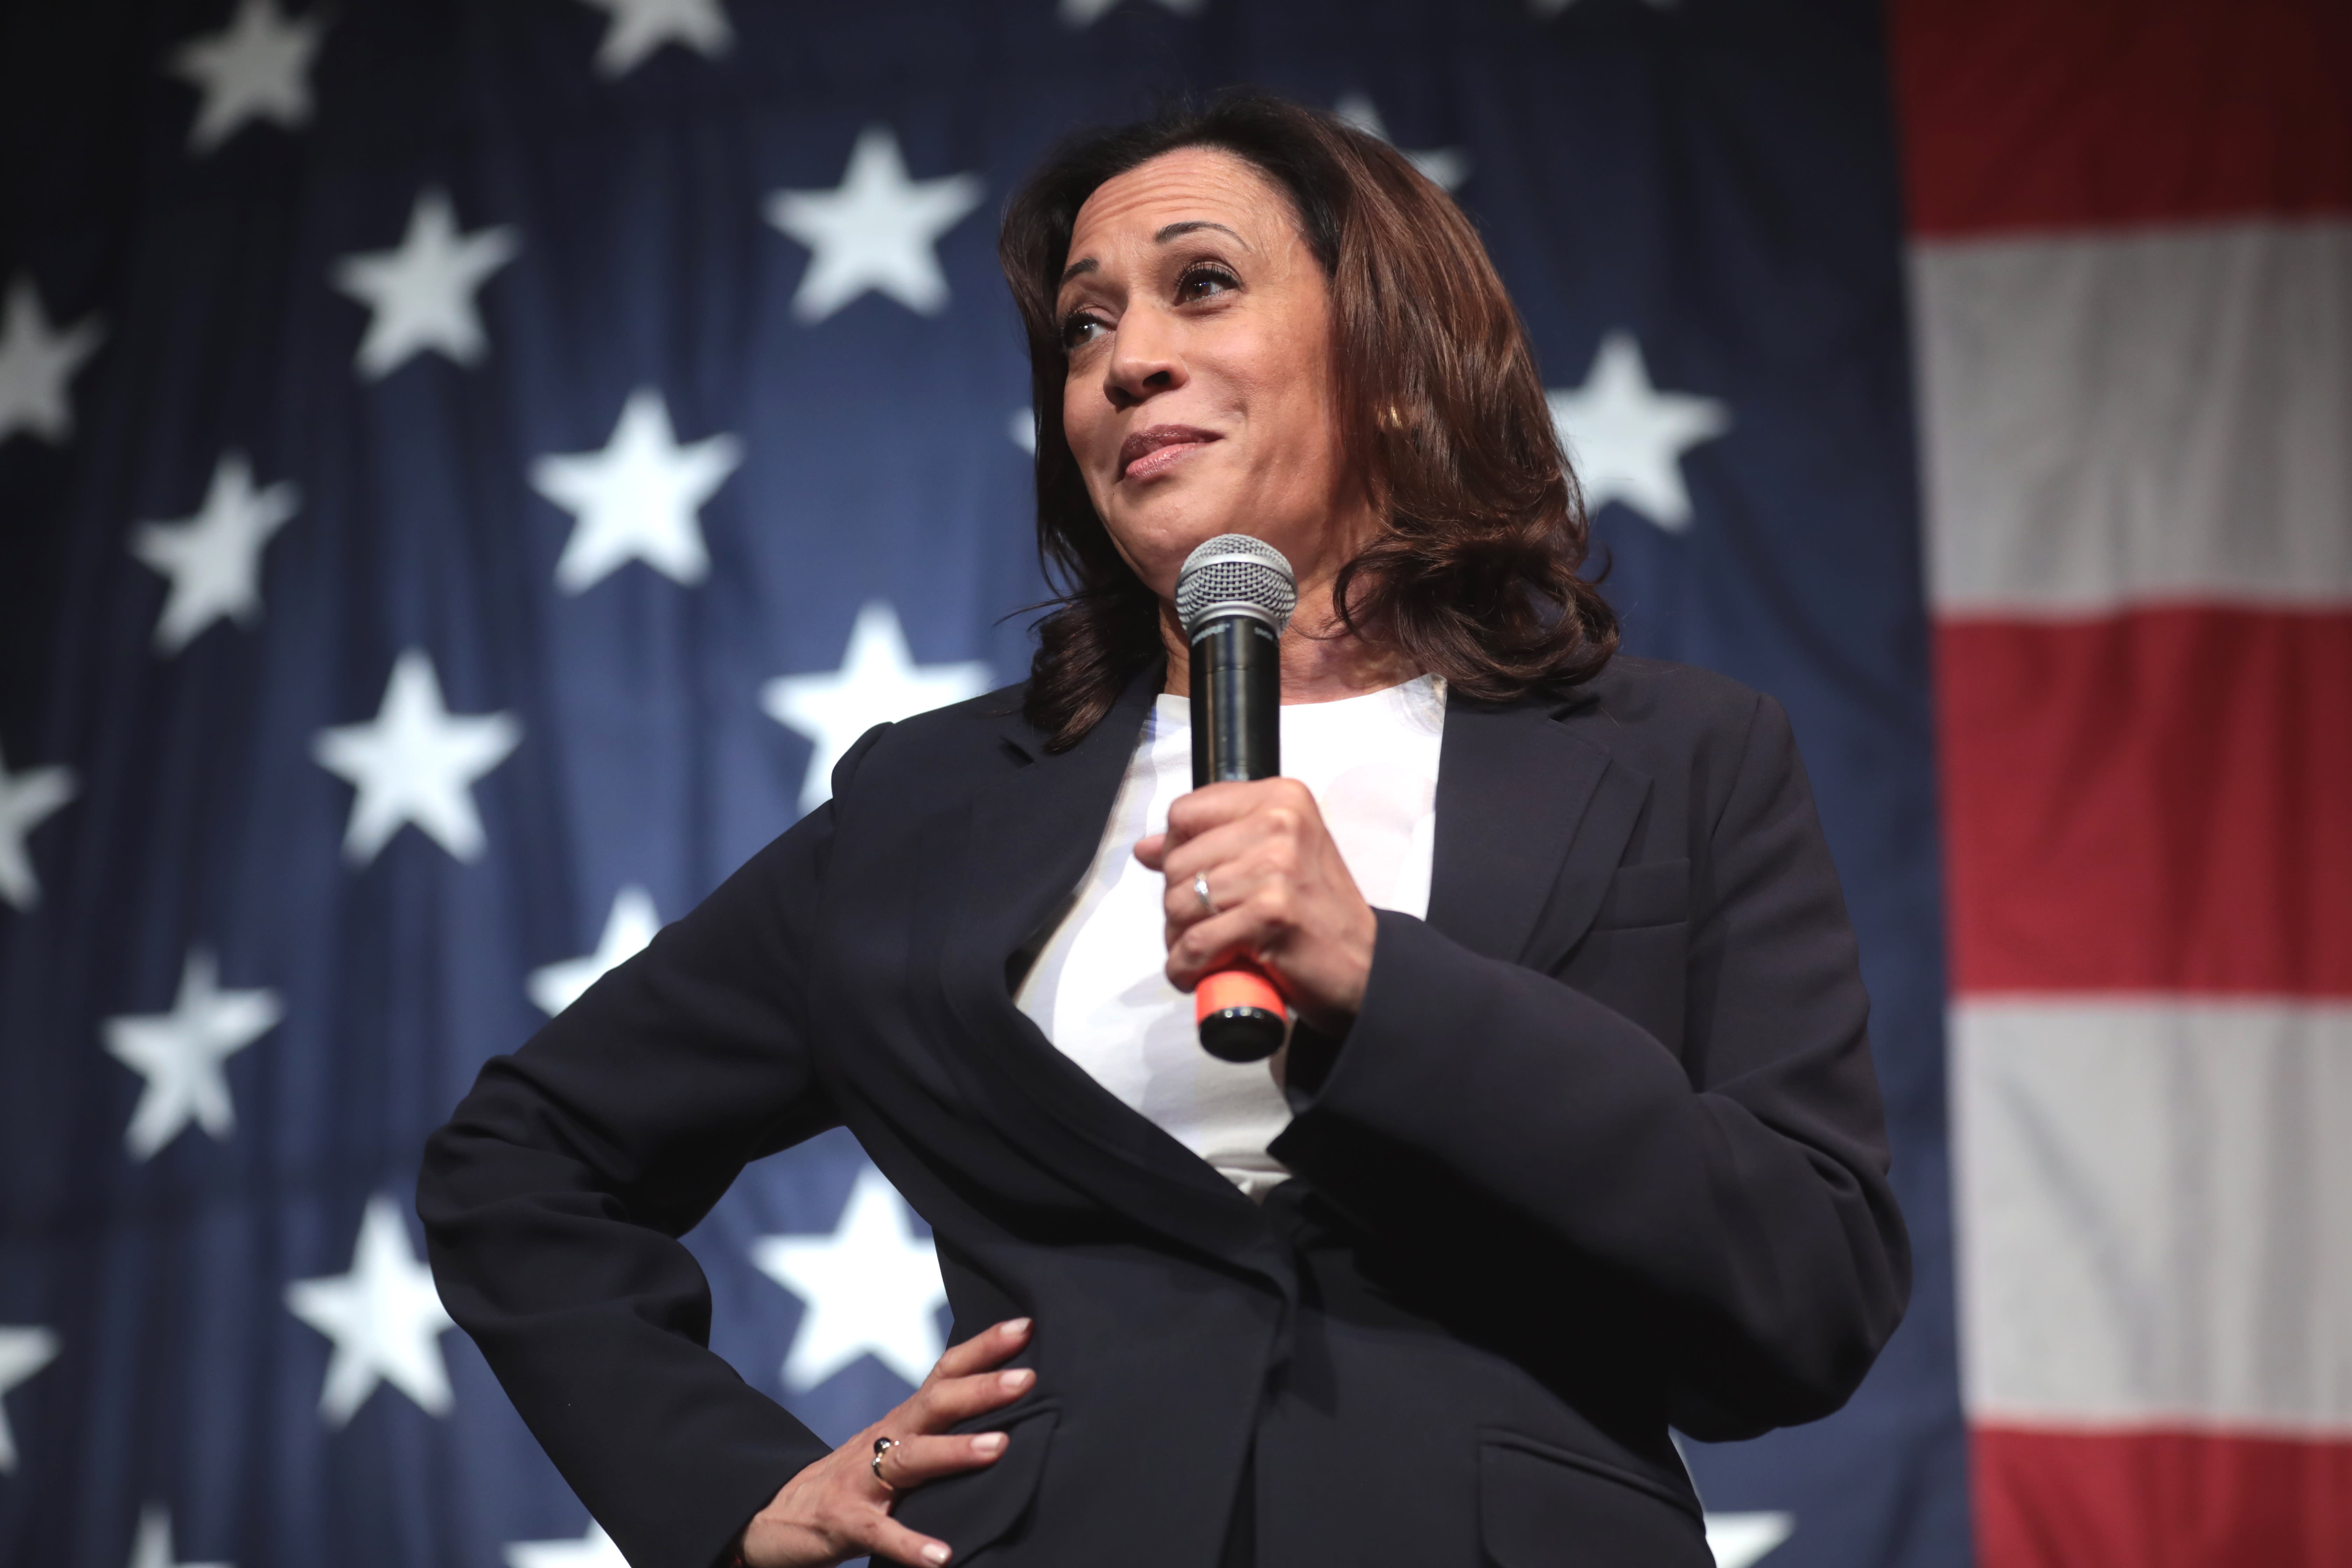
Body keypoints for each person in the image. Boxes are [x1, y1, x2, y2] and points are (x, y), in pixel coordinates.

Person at [418, 91, 1909, 1568]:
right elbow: (523, 1159)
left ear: (1393, 363)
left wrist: (1394, 989)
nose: (1128, 362)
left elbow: (1809, 1289)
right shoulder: (929, 805)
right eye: (1083, 326)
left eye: (1202, 286)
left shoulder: (1681, 758)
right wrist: (735, 1488)